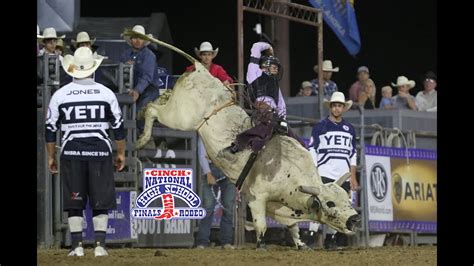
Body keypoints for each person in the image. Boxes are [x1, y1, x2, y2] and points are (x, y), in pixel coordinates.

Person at [45, 47, 126, 257]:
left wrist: (51, 156)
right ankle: (100, 245)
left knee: (75, 201)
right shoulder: (106, 93)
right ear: (93, 68)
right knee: (101, 199)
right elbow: (118, 126)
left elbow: (50, 128)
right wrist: (121, 153)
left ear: (72, 68)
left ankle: (76, 246)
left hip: (72, 153)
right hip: (100, 152)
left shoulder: (60, 95)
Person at [225, 55, 305, 155]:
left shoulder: (275, 84)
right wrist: (268, 47)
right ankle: (240, 142)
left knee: (286, 129)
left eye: (277, 67)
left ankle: (304, 147)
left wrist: (282, 119)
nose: (276, 69)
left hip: (274, 115)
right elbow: (256, 49)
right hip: (261, 111)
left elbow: (281, 104)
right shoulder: (256, 76)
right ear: (265, 67)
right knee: (269, 123)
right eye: (274, 66)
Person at [309, 91, 359, 250]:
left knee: (337, 208)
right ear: (330, 107)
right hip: (324, 172)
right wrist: (314, 171)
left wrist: (353, 175)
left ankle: (331, 238)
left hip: (342, 174)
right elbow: (312, 150)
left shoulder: (350, 128)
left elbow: (353, 154)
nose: (337, 108)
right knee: (318, 205)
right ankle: (311, 235)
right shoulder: (320, 126)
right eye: (334, 105)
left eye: (340, 106)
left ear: (343, 108)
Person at [196, 137, 236, 249]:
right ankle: (203, 242)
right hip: (212, 168)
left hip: (228, 169)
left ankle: (225, 241)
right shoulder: (205, 132)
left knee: (228, 207)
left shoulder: (230, 132)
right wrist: (208, 173)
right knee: (208, 207)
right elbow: (201, 153)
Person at [120, 25, 163, 125]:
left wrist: (137, 90)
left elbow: (147, 76)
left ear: (144, 40)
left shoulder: (149, 55)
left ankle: (145, 137)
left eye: (140, 38)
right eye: (135, 37)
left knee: (139, 112)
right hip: (131, 89)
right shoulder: (125, 55)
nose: (138, 40)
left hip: (149, 89)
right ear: (131, 40)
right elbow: (120, 72)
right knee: (121, 112)